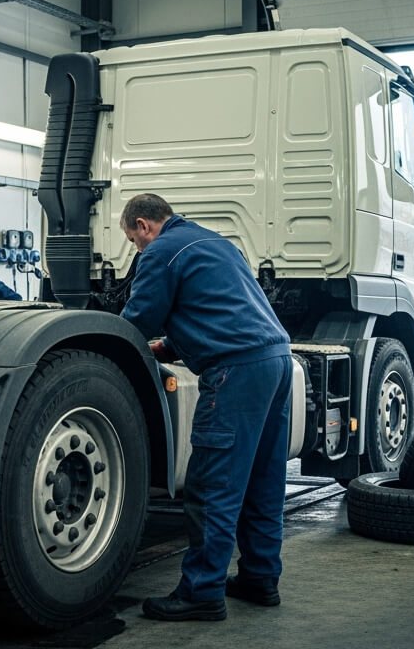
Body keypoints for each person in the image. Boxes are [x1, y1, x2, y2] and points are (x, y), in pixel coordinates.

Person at [118, 193, 292, 622]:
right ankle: (259, 578)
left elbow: (138, 318)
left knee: (214, 485)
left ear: (143, 225)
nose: (138, 250)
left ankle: (201, 591)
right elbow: (225, 309)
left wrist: (110, 344)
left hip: (236, 371)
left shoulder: (159, 251)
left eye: (133, 241)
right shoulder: (217, 242)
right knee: (262, 480)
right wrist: (173, 346)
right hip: (277, 361)